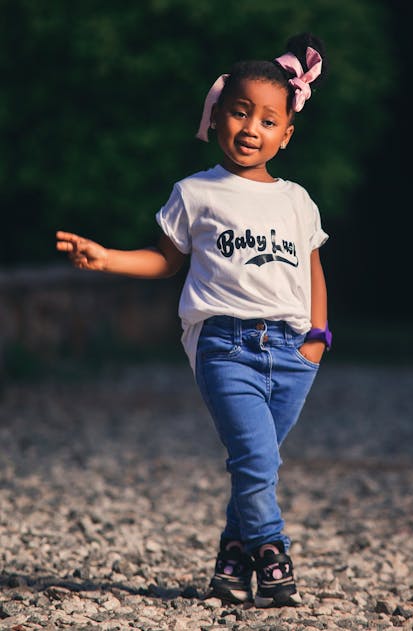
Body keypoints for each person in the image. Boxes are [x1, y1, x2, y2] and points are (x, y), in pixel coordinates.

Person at [56, 32, 331, 608]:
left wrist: (317, 338)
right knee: (254, 459)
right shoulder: (196, 192)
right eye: (239, 112)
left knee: (260, 461)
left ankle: (233, 561)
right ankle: (272, 553)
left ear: (285, 134)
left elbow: (312, 268)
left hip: (292, 350)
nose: (251, 127)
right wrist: (105, 257)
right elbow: (165, 259)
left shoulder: (297, 200)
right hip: (224, 346)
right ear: (217, 115)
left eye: (267, 120)